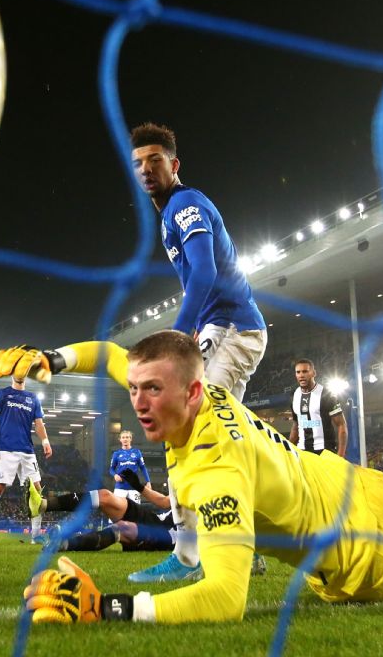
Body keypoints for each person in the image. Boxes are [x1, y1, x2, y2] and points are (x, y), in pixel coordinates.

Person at [0, 334, 383, 624]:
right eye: (134, 389)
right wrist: (52, 359)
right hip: (343, 478)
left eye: (150, 391)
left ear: (189, 392)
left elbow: (224, 601)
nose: (136, 401)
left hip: (347, 542)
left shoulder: (218, 474)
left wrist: (108, 611)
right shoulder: (198, 392)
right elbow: (112, 354)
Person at [128, 122, 269, 581]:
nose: (146, 169)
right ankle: (247, 543)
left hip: (230, 326)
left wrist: (178, 338)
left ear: (175, 164)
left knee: (188, 426)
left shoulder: (185, 204)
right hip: (226, 326)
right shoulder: (171, 211)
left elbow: (205, 274)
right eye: (138, 163)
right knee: (221, 438)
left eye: (155, 159)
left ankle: (189, 555)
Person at [0, 375, 51, 545]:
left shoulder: (33, 398)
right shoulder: (2, 394)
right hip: (5, 450)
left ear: (26, 374)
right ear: (12, 374)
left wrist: (46, 441)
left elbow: (39, 424)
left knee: (37, 491)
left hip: (27, 451)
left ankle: (35, 535)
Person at [33, 476, 174, 554]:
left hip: (167, 537)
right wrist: (139, 486)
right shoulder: (188, 476)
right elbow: (165, 502)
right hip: (156, 520)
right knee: (105, 496)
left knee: (121, 528)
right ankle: (43, 505)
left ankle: (62, 544)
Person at [288, 359, 348, 459]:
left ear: (313, 373)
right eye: (298, 372)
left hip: (325, 451)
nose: (301, 375)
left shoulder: (326, 394)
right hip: (303, 452)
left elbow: (341, 425)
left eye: (305, 371)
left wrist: (340, 456)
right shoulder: (294, 395)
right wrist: (289, 449)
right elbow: (296, 425)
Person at [109, 431, 150, 505]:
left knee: (136, 512)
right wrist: (115, 475)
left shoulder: (137, 452)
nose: (125, 439)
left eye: (127, 437)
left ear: (130, 439)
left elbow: (143, 467)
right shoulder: (116, 454)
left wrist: (148, 481)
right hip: (120, 487)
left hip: (134, 487)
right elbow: (111, 469)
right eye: (123, 437)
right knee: (117, 509)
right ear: (120, 439)